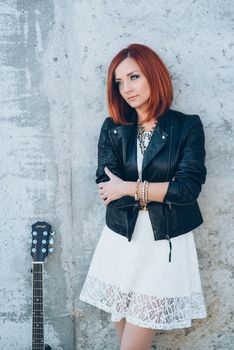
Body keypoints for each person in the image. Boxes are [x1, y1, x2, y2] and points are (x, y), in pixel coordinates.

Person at [79, 43, 207, 350]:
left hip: (164, 244)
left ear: (153, 74)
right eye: (119, 82)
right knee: (127, 343)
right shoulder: (113, 128)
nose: (126, 88)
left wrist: (129, 186)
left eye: (134, 77)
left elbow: (187, 189)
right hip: (120, 240)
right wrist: (159, 189)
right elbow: (107, 188)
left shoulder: (187, 126)